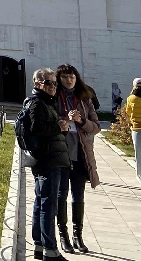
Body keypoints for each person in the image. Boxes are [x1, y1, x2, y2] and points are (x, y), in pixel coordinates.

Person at [54, 64, 100, 254]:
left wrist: (81, 120)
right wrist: (63, 119)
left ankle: (77, 235)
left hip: (80, 152)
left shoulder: (84, 98)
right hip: (62, 151)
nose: (69, 80)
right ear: (59, 79)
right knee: (61, 194)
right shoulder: (54, 97)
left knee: (78, 195)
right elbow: (49, 120)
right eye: (64, 77)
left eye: (71, 76)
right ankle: (63, 235)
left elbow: (96, 126)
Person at [26, 67, 71, 260]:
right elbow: (37, 128)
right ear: (37, 84)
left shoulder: (46, 102)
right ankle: (50, 251)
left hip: (51, 157)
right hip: (48, 159)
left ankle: (39, 245)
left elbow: (50, 130)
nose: (53, 86)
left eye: (54, 83)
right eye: (48, 82)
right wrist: (58, 126)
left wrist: (62, 128)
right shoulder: (37, 103)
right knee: (48, 205)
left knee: (41, 202)